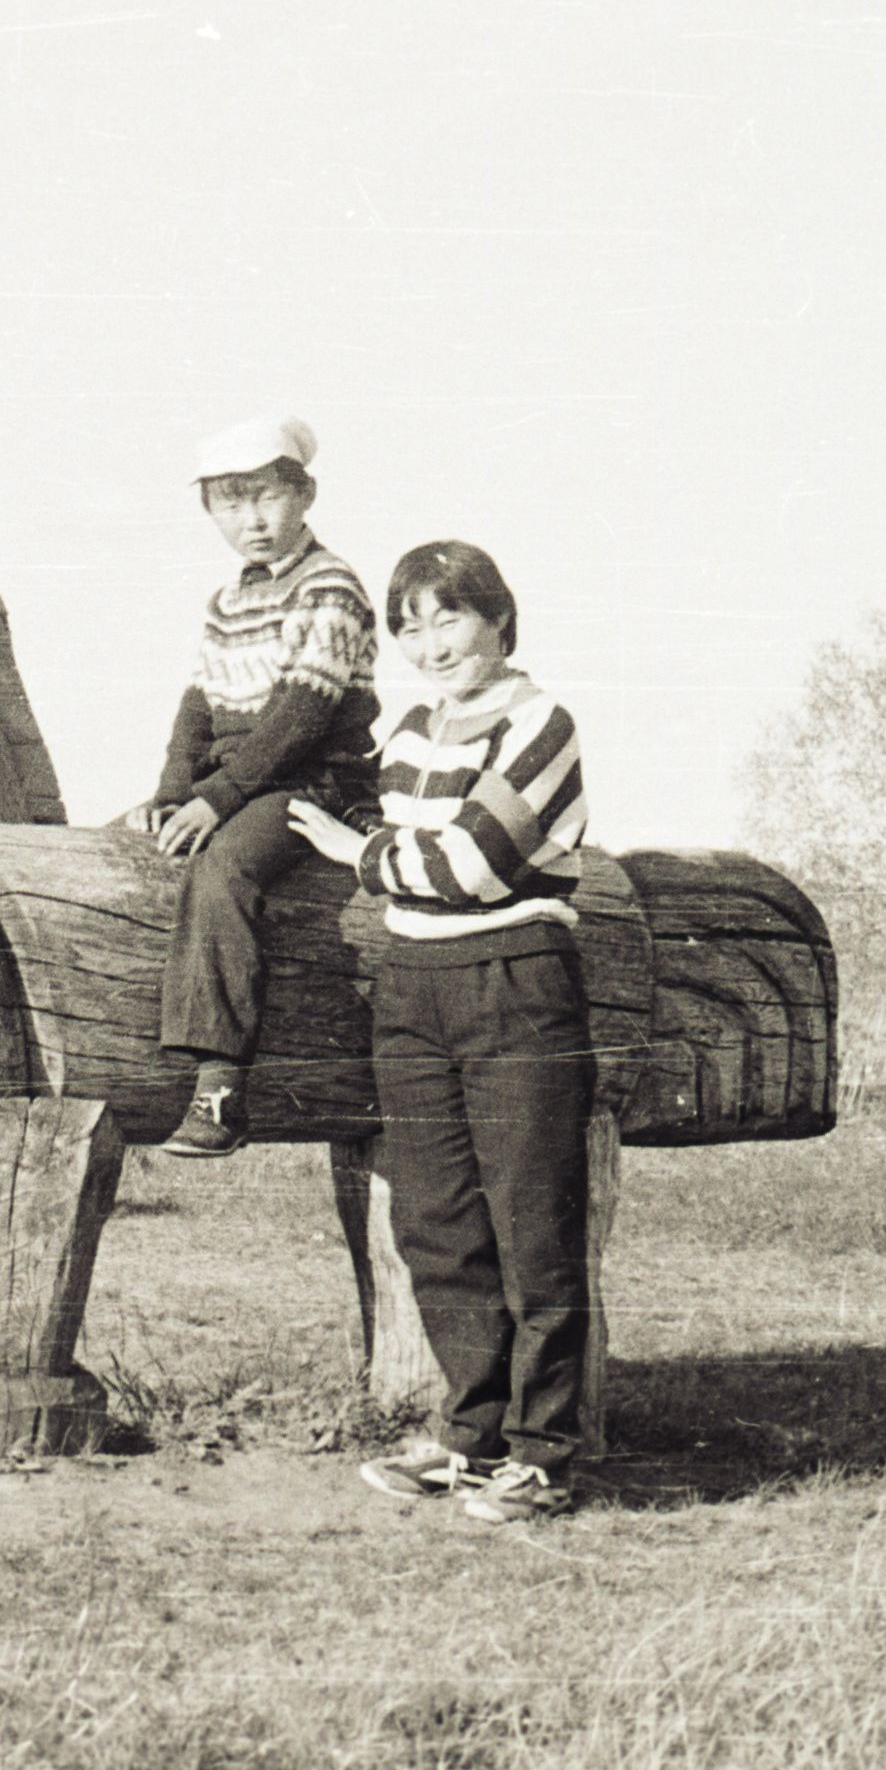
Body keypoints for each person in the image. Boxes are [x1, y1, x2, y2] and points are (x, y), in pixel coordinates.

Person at [287, 540, 593, 1524]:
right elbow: (399, 841)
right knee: (436, 1221)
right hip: (410, 983)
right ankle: (472, 1436)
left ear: (499, 619)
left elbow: (472, 865)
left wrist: (362, 852)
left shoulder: (541, 722)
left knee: (531, 1221)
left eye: (449, 617)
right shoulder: (412, 730)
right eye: (408, 627)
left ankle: (544, 1454)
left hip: (515, 979)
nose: (431, 645)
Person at [134, 413, 380, 1156]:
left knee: (226, 866)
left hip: (312, 778)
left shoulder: (330, 587)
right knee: (134, 845)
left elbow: (302, 714)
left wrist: (218, 799)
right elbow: (197, 705)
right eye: (231, 502)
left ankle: (220, 1088)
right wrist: (174, 791)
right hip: (243, 777)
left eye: (269, 497)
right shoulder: (228, 603)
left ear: (305, 496)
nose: (254, 520)